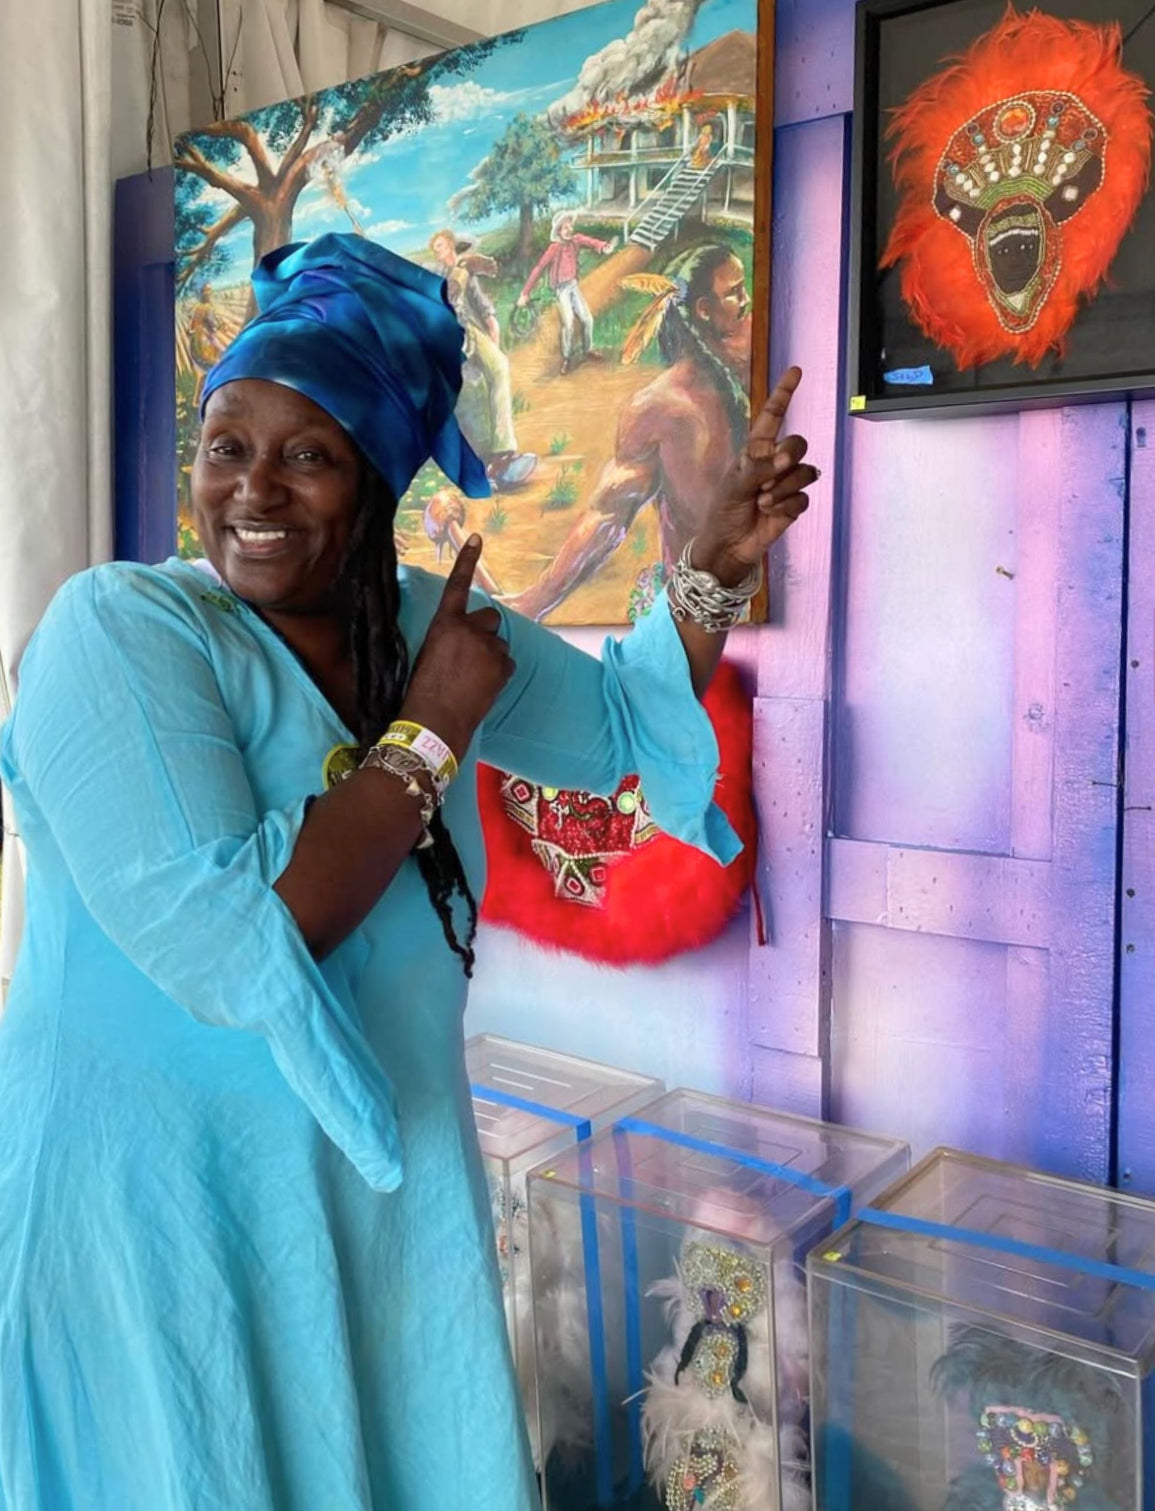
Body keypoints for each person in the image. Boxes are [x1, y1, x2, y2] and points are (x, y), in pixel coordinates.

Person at [0, 232, 816, 1510]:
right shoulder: (123, 629)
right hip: (162, 1219)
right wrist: (429, 732)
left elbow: (614, 732)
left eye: (306, 454)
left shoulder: (421, 615)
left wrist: (709, 560)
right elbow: (235, 938)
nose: (250, 489)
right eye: (226, 446)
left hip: (373, 1212)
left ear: (376, 480)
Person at [509, 242, 771, 623]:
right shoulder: (659, 408)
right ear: (703, 311)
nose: (746, 301)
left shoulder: (761, 360)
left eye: (743, 288)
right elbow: (608, 514)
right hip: (691, 614)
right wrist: (534, 602)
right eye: (734, 293)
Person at [429, 228, 536, 493]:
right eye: (435, 249)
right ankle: (476, 467)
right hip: (448, 337)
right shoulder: (436, 275)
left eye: (440, 246)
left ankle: (503, 454)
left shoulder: (468, 275)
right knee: (460, 391)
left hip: (472, 333)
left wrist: (494, 337)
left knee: (499, 367)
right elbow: (448, 294)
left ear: (452, 246)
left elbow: (484, 307)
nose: (437, 252)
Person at [516, 209, 617, 375]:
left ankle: (588, 349)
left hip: (573, 285)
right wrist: (525, 293)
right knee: (568, 322)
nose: (569, 230)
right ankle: (567, 358)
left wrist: (603, 247)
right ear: (559, 232)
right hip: (561, 289)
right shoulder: (554, 248)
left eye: (570, 226)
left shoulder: (575, 241)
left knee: (587, 319)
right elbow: (539, 267)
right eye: (565, 228)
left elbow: (589, 241)